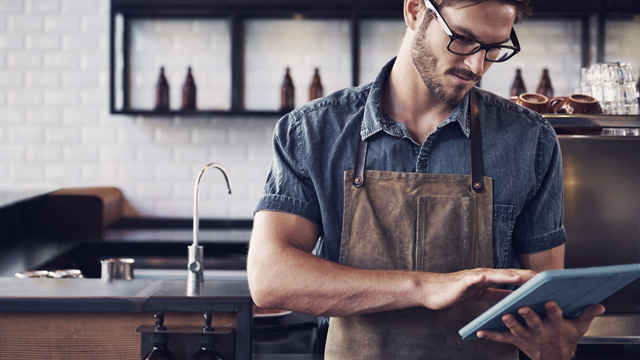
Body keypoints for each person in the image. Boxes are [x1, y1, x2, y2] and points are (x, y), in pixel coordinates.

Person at [247, 0, 605, 359]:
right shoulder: (313, 132)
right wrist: (424, 287)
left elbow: (546, 303)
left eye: (494, 49)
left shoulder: (530, 140)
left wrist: (552, 345)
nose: (476, 65)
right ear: (415, 10)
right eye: (463, 39)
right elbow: (270, 278)